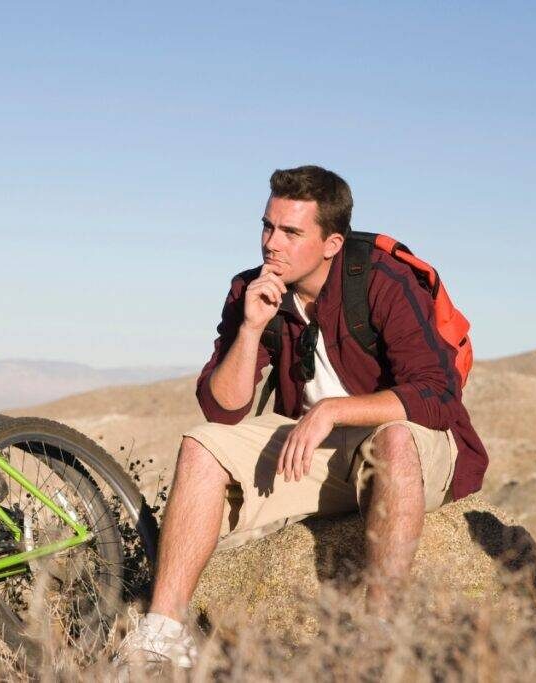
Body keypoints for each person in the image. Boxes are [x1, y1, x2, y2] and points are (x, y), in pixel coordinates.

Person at [114, 165, 488, 672]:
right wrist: (250, 330)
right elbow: (222, 408)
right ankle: (162, 633)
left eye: (291, 232)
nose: (272, 244)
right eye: (268, 226)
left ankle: (379, 641)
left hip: (405, 448)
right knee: (202, 444)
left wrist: (333, 410)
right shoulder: (253, 288)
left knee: (396, 437)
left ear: (331, 242)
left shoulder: (382, 281)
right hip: (318, 454)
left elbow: (437, 394)